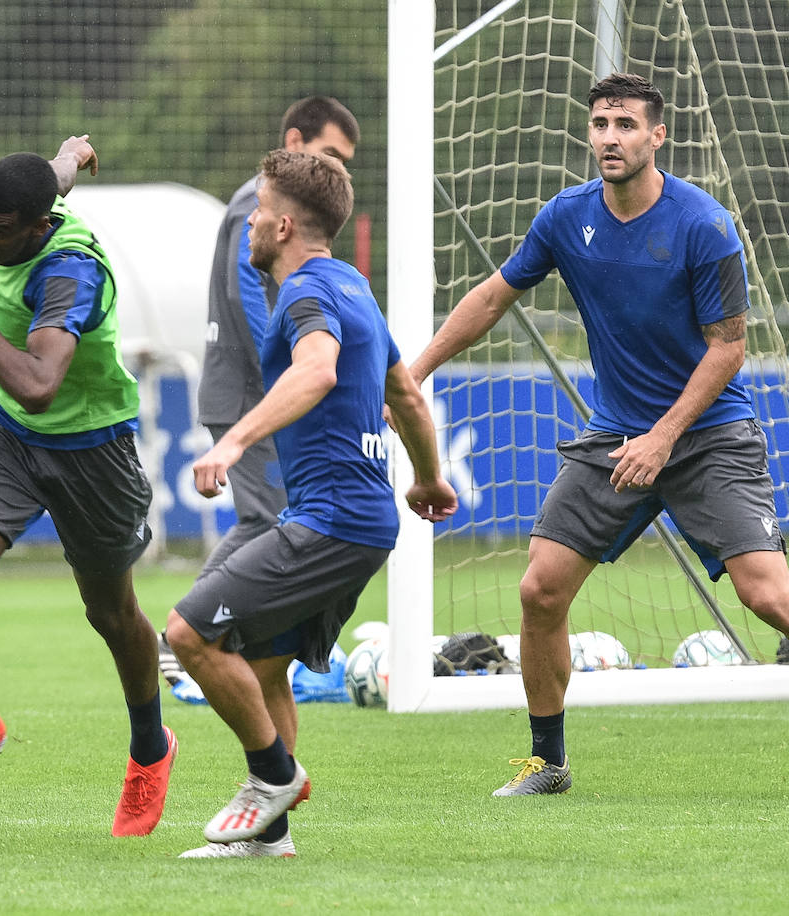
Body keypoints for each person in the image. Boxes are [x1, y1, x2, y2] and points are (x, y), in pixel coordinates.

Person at [407, 72, 789, 797]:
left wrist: (664, 438)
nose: (610, 137)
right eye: (600, 124)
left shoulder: (703, 225)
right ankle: (547, 762)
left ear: (657, 135)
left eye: (625, 124)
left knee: (767, 595)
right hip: (616, 433)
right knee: (539, 591)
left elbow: (728, 349)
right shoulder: (565, 217)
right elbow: (496, 295)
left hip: (709, 434)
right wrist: (419, 368)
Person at [166, 149, 457, 858]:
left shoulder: (304, 296)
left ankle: (274, 779)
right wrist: (427, 478)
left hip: (329, 523)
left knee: (187, 636)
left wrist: (231, 443)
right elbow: (406, 395)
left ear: (286, 223)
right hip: (360, 522)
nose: (252, 224)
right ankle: (270, 840)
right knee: (265, 672)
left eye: (260, 212)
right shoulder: (353, 285)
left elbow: (318, 369)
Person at [0, 135, 177, 836]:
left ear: (38, 227)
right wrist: (72, 152)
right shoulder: (8, 205)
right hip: (0, 433)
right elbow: (52, 176)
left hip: (92, 445)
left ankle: (151, 748)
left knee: (110, 612)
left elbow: (37, 385)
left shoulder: (68, 270)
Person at [159, 97, 361, 698]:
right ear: (294, 142)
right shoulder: (262, 203)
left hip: (247, 392)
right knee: (277, 521)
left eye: (345, 162)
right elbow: (249, 293)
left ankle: (192, 635)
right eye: (329, 155)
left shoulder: (261, 201)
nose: (339, 171)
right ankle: (192, 638)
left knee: (264, 518)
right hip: (252, 392)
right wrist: (283, 378)